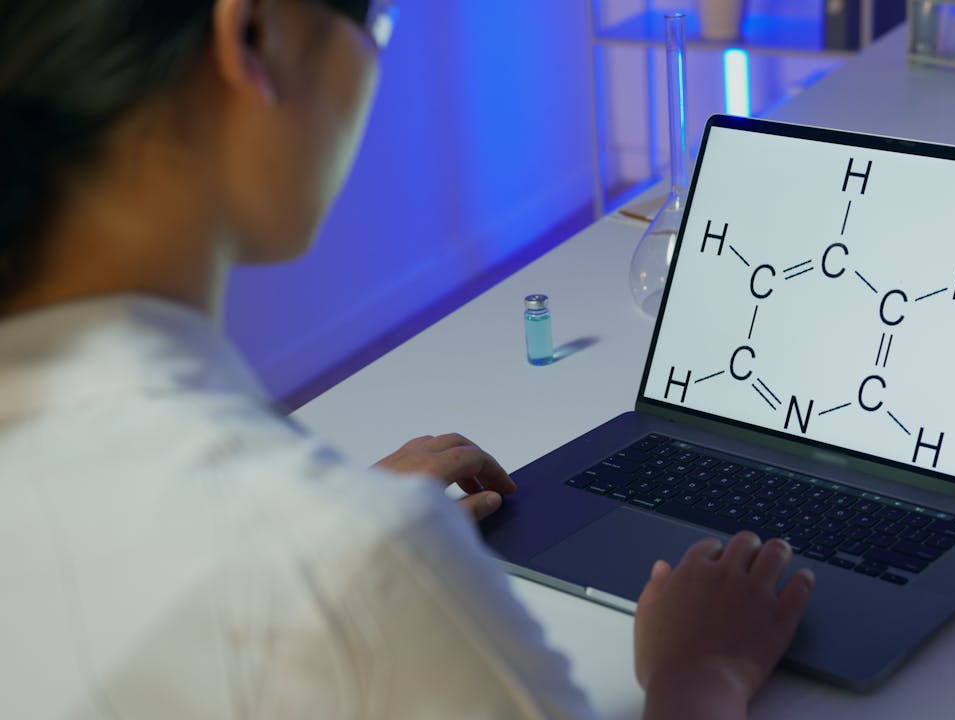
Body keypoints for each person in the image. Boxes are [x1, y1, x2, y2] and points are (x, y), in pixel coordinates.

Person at [0, 2, 815, 718]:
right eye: (376, 22)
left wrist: (328, 517)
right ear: (253, 34)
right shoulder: (360, 569)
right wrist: (697, 674)